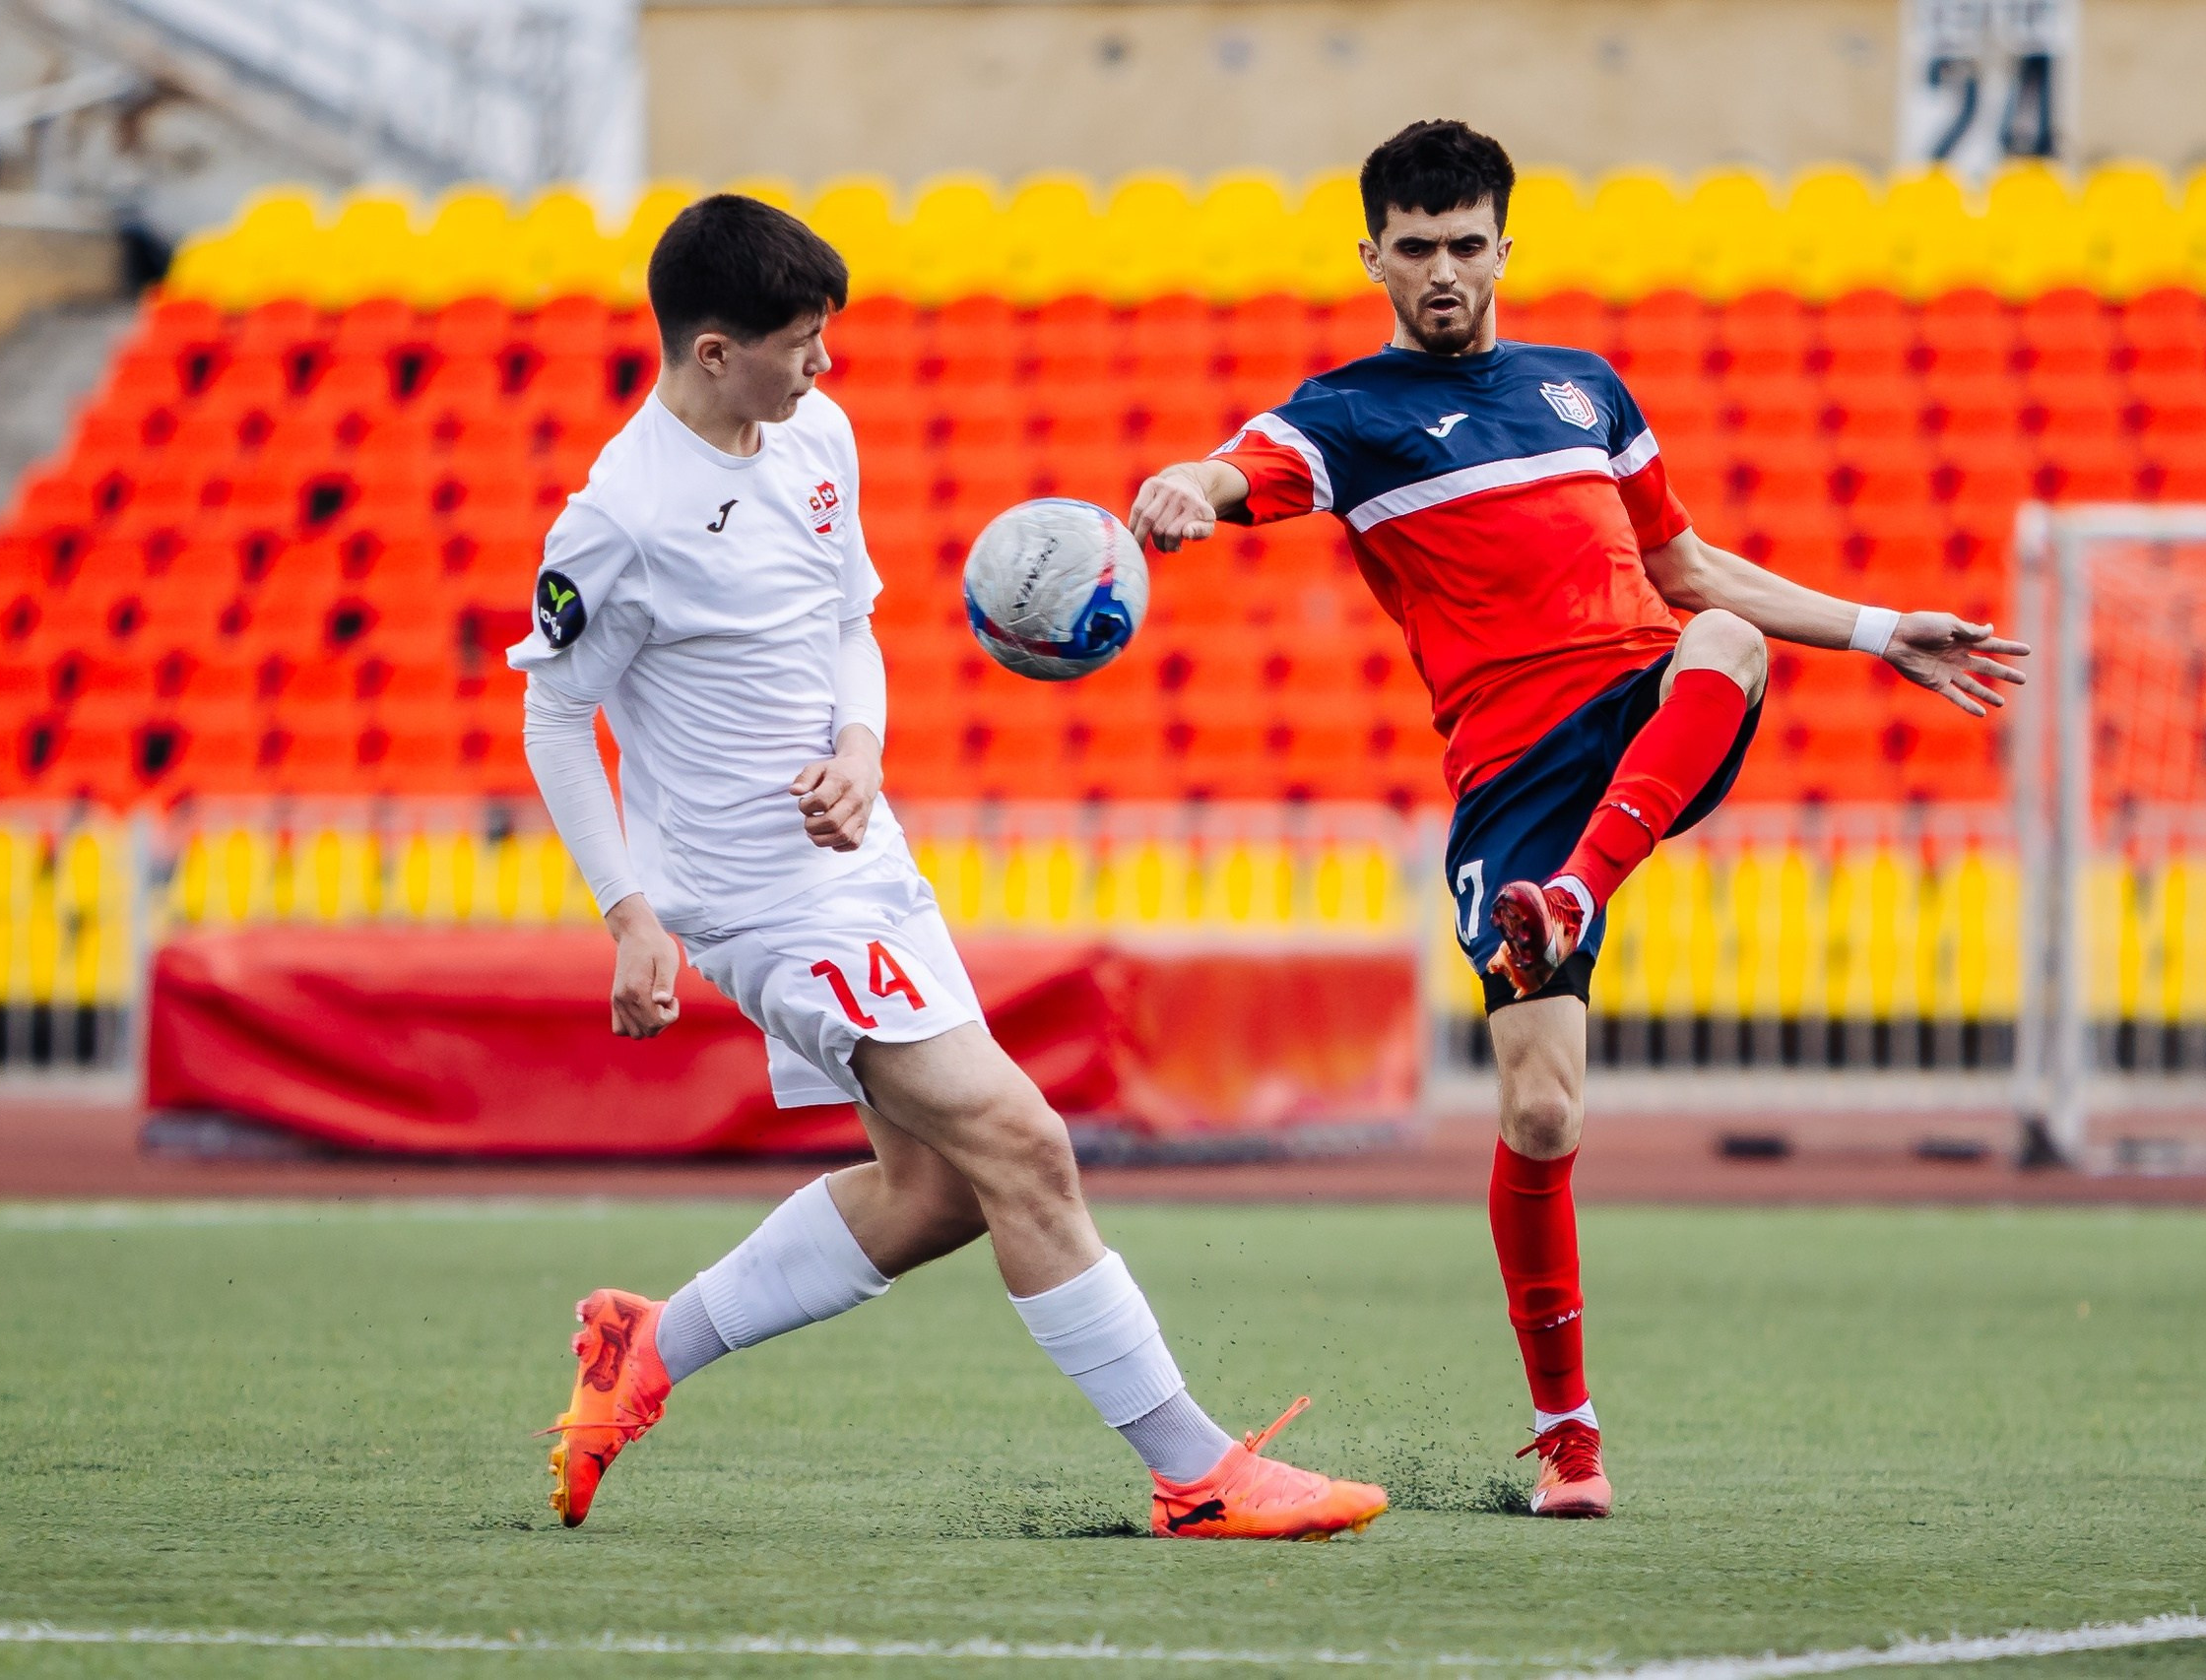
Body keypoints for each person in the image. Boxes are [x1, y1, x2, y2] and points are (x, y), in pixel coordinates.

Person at [1127, 122, 2027, 1518]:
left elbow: (1680, 562)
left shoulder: (1583, 388)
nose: (1441, 270)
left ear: (1504, 246)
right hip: (1513, 782)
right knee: (1543, 1113)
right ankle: (1568, 1439)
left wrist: (1877, 627)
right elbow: (1241, 466)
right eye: (1413, 247)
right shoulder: (1350, 412)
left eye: (1465, 243)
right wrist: (1185, 486)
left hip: (1637, 710)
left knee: (1723, 634)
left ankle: (1585, 895)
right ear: (1369, 255)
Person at [512, 193, 1386, 1542]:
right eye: (802, 342)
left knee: (937, 1187)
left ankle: (651, 1344)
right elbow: (556, 715)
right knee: (1024, 1141)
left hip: (866, 860)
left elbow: (851, 618)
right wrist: (627, 910)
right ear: (711, 352)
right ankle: (1195, 1470)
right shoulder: (618, 520)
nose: (826, 367)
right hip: (756, 901)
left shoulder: (818, 433)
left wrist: (859, 742)